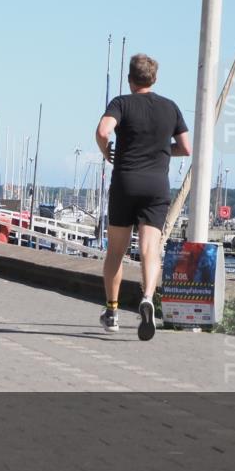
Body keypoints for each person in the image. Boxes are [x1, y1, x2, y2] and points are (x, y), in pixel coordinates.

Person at [95, 54, 190, 340]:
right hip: (156, 187)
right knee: (151, 249)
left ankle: (112, 312)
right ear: (155, 78)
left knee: (116, 251)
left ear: (129, 79)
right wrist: (161, 150)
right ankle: (147, 297)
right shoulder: (170, 107)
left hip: (125, 182)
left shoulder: (121, 103)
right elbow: (186, 147)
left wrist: (105, 150)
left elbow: (103, 130)